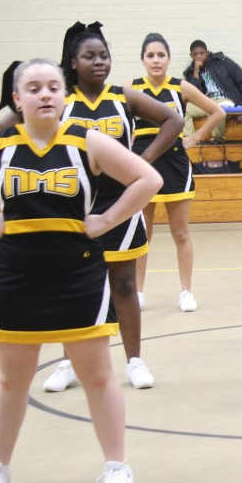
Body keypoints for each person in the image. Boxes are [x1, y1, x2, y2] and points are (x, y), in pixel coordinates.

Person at [0, 58, 163, 483]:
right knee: (12, 380)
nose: (45, 94)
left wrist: (107, 218)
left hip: (78, 271)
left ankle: (116, 465)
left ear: (64, 96)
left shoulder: (85, 142)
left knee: (98, 375)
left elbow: (148, 178)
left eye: (53, 86)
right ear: (17, 98)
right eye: (34, 88)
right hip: (15, 274)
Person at [41, 25, 183, 393]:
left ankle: (135, 361)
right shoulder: (62, 101)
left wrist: (144, 162)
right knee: (75, 286)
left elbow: (174, 120)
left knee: (123, 285)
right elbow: (15, 122)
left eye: (103, 55)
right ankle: (69, 362)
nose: (99, 61)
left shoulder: (123, 96)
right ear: (73, 62)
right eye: (90, 56)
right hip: (75, 207)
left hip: (120, 204)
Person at [134, 33, 226, 314]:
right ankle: (137, 292)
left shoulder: (180, 87)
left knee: (181, 232)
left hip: (174, 164)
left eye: (161, 55)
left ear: (169, 59)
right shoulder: (130, 89)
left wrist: (194, 138)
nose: (156, 60)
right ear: (142, 60)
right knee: (141, 234)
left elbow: (217, 112)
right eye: (150, 55)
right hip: (142, 164)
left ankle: (186, 291)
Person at [182, 40, 242, 142]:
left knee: (215, 109)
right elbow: (194, 95)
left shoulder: (221, 61)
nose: (199, 57)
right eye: (195, 54)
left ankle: (217, 140)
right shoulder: (190, 72)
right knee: (185, 108)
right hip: (207, 101)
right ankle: (191, 141)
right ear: (191, 56)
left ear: (207, 52)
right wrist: (196, 72)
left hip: (225, 99)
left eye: (201, 53)